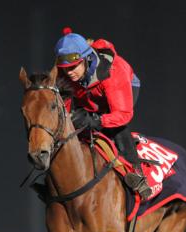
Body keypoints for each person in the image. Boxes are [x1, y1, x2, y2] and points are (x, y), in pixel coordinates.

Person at [54, 27, 152, 199]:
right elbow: (65, 106)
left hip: (120, 91)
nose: (69, 73)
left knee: (115, 129)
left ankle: (137, 175)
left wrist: (96, 120)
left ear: (86, 58)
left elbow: (123, 114)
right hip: (88, 93)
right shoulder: (65, 74)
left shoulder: (113, 72)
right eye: (65, 68)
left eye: (74, 67)